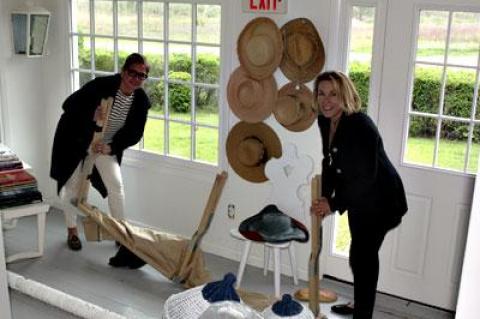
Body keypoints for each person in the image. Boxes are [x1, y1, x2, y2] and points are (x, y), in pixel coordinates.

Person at [310, 71, 408, 318]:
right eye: (321, 93)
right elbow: (329, 161)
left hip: (383, 200)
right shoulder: (326, 120)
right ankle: (360, 303)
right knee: (360, 254)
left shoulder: (359, 125)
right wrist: (324, 196)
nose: (326, 100)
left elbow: (365, 177)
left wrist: (332, 203)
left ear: (345, 94)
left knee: (363, 257)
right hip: (360, 199)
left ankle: (362, 314)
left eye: (333, 93)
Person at [50, 53, 151, 251]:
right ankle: (72, 231)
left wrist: (111, 147)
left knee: (116, 185)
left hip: (105, 145)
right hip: (78, 141)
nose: (135, 79)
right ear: (123, 72)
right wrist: (91, 114)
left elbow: (135, 133)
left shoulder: (140, 101)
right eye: (132, 73)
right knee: (73, 186)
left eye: (141, 76)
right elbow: (68, 105)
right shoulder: (101, 86)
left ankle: (120, 234)